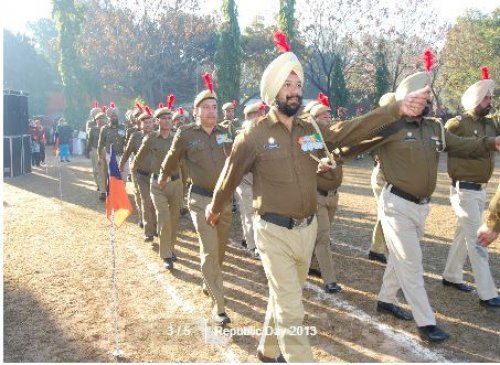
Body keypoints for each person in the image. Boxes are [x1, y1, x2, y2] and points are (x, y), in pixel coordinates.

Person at [205, 32, 431, 362]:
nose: (295, 93)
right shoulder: (253, 135)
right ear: (273, 92)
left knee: (286, 297)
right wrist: (214, 207)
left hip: (306, 230)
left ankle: (268, 350)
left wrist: (394, 110)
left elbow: (345, 133)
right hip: (273, 231)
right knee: (293, 310)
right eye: (287, 86)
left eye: (298, 86)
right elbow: (230, 175)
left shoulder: (309, 130)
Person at [344, 71, 500, 343]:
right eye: (425, 93)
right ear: (410, 97)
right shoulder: (390, 126)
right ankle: (425, 322)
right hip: (396, 204)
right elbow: (347, 143)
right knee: (412, 262)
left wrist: (491, 142)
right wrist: (312, 150)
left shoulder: (434, 127)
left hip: (420, 206)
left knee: (399, 258)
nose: (429, 98)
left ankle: (385, 300)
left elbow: (460, 144)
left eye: (429, 93)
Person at [159, 73, 234, 326]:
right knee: (210, 252)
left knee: (219, 252)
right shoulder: (186, 134)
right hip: (200, 200)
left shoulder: (226, 133)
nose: (212, 111)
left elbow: (236, 159)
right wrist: (163, 175)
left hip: (224, 200)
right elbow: (171, 157)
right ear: (196, 111)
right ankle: (219, 306)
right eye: (206, 108)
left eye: (214, 107)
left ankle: (209, 282)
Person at [441, 67, 500, 307]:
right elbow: (445, 143)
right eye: (487, 97)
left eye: (492, 97)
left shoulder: (491, 124)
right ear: (476, 99)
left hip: (479, 190)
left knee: (461, 235)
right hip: (463, 190)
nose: (491, 101)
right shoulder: (457, 124)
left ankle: (451, 275)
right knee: (478, 239)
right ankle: (488, 293)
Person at [134, 102, 182, 269]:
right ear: (157, 121)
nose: (168, 121)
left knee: (175, 219)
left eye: (170, 118)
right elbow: (138, 158)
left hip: (176, 182)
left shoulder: (178, 137)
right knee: (164, 218)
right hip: (157, 184)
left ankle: (171, 248)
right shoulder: (151, 138)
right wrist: (133, 175)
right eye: (164, 118)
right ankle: (166, 255)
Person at [307, 94, 343, 293]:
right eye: (323, 116)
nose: (328, 119)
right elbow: (303, 162)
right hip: (318, 196)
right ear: (314, 120)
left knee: (318, 234)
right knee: (323, 236)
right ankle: (329, 279)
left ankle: (309, 264)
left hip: (333, 195)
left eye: (329, 115)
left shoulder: (335, 137)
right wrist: (316, 167)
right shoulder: (310, 139)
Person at [235, 101, 267, 257]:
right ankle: (252, 245)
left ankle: (257, 241)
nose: (263, 116)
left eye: (263, 113)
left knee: (260, 214)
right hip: (245, 180)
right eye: (259, 114)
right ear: (250, 116)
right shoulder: (242, 135)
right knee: (249, 213)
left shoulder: (265, 134)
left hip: (261, 181)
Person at [367, 93, 396, 264]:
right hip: (382, 175)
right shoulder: (382, 126)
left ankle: (377, 248)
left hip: (392, 173)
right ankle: (380, 248)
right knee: (386, 212)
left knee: (385, 213)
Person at [120, 107, 156, 241]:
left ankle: (156, 225)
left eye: (150, 122)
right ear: (140, 124)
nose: (147, 125)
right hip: (140, 175)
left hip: (156, 175)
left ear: (154, 123)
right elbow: (127, 152)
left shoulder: (158, 136)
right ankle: (149, 231)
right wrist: (121, 165)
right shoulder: (135, 137)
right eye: (144, 122)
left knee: (154, 202)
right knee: (145, 200)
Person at [86, 108, 108, 200]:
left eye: (102, 119)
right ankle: (102, 191)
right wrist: (88, 151)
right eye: (98, 119)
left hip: (107, 151)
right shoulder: (93, 129)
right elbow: (89, 141)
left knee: (106, 171)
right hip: (95, 151)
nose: (100, 121)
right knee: (99, 171)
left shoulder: (108, 129)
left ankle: (107, 188)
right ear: (96, 121)